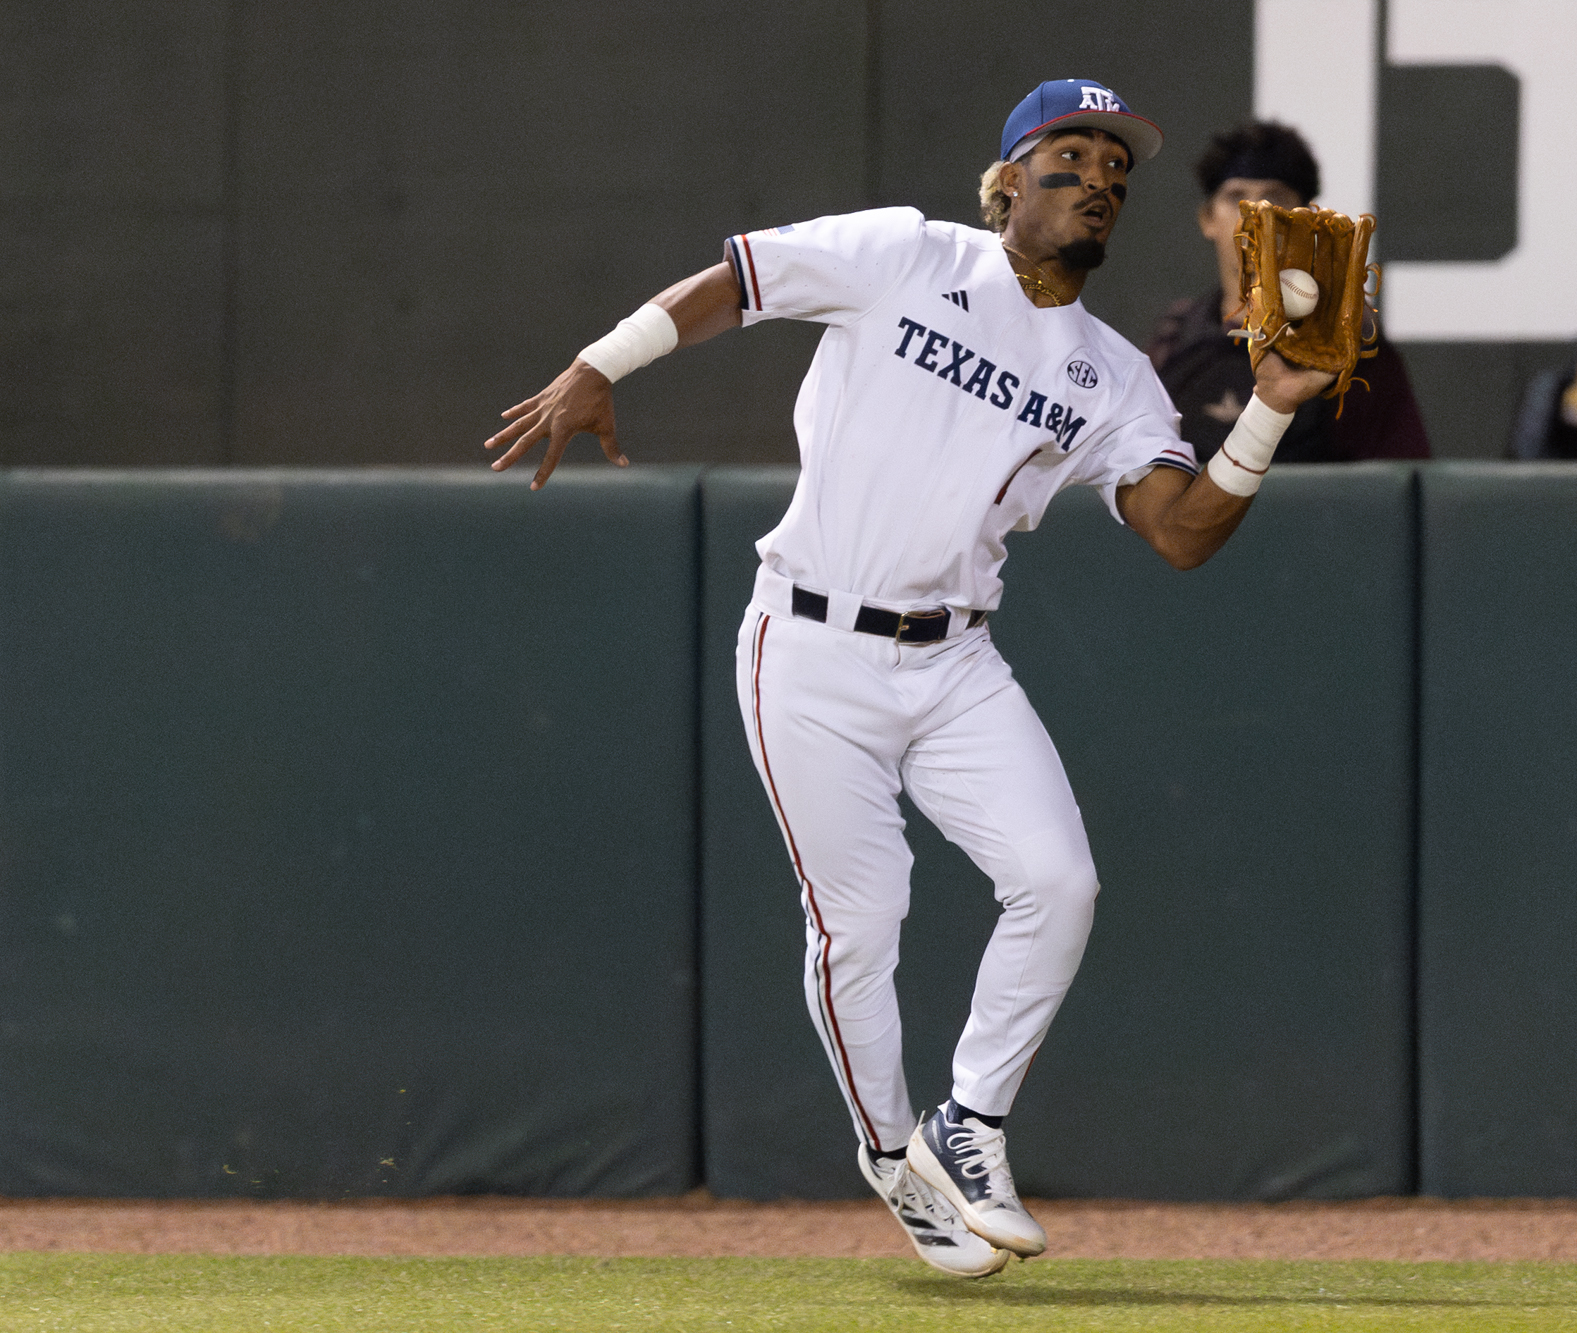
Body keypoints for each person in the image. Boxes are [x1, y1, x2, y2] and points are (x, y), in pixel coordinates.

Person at [483, 80, 1339, 1278]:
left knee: (1059, 880)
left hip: (952, 657)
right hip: (809, 645)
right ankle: (892, 1157)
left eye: (1113, 168)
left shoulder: (1107, 372)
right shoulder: (901, 253)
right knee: (859, 926)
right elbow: (736, 280)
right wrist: (598, 361)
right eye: (1066, 155)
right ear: (1002, 184)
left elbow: (1182, 531)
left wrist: (1269, 410)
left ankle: (967, 1123)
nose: (1095, 176)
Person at [1147, 121, 1430, 464]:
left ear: (1306, 219)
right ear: (1208, 219)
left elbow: (1389, 488)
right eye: (1236, 197)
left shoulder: (1350, 340)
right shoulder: (1175, 338)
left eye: (1274, 198)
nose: (1255, 215)